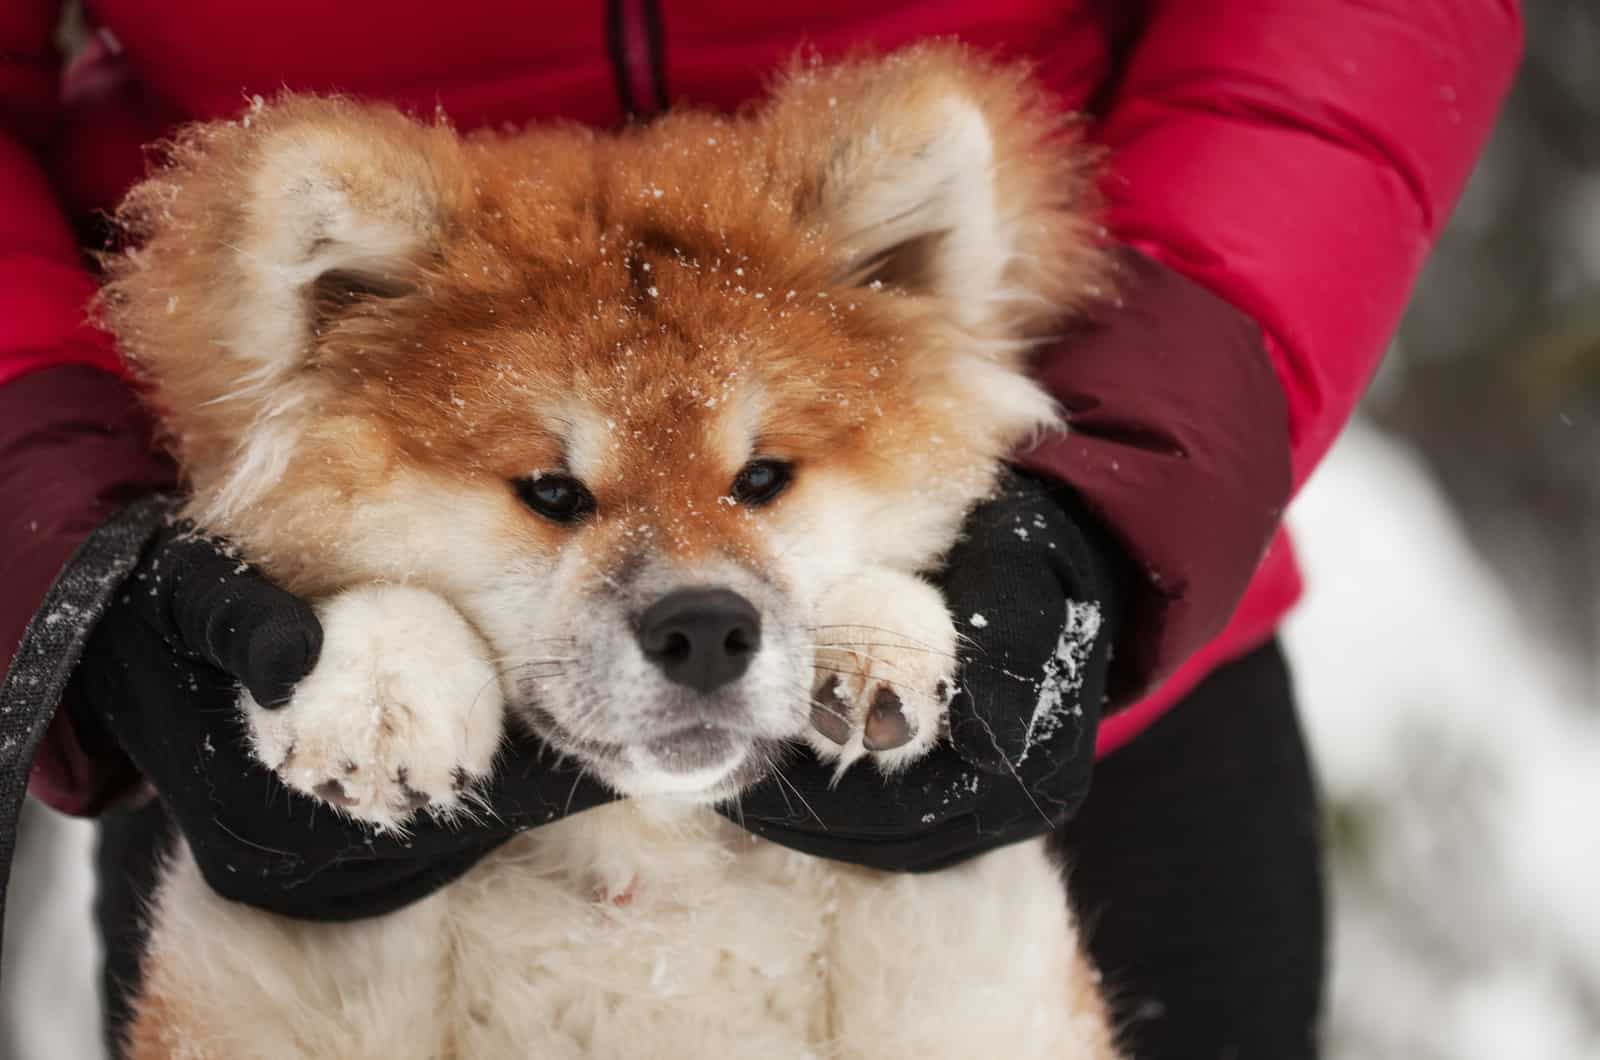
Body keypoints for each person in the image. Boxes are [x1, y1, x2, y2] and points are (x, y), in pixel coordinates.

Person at [0, 3, 1521, 1058]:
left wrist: (1115, 514)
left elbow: (1356, 29)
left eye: (759, 485)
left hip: (1070, 638)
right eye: (556, 494)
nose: (690, 583)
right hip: (248, 674)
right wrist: (65, 530)